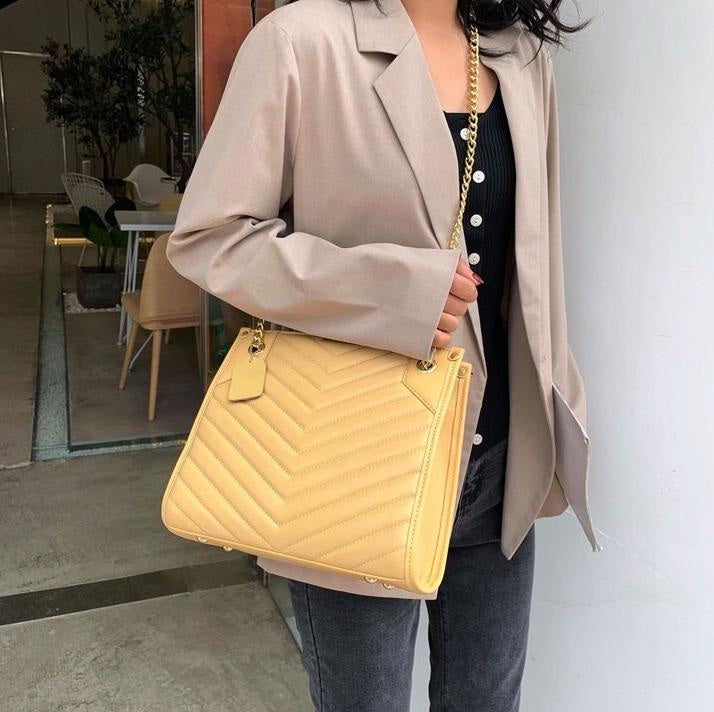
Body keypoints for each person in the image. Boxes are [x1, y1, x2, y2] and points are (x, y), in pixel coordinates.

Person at [166, 0, 593, 709]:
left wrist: (559, 392)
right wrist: (389, 292)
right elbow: (210, 238)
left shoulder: (520, 54)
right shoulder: (300, 42)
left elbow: (533, 257)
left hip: (500, 458)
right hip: (356, 466)